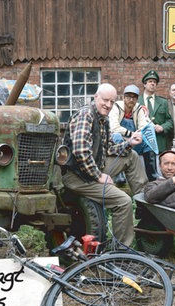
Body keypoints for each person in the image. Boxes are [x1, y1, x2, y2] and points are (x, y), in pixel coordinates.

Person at [61, 83, 149, 246]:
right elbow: (81, 151)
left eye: (112, 102)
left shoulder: (103, 120)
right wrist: (99, 176)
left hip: (93, 169)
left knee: (132, 155)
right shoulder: (85, 115)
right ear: (96, 97)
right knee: (123, 201)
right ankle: (121, 250)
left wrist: (129, 143)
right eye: (105, 100)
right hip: (77, 177)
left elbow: (109, 149)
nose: (108, 105)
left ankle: (144, 203)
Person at [109, 84, 159, 181]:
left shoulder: (139, 108)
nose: (131, 100)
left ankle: (152, 176)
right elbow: (114, 127)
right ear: (123, 97)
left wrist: (137, 137)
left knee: (148, 143)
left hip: (133, 141)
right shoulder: (116, 107)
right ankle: (119, 175)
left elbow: (142, 126)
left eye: (134, 97)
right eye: (128, 97)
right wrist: (130, 135)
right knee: (117, 136)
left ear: (137, 99)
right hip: (117, 143)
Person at [138, 70, 173, 153]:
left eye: (154, 82)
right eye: (150, 81)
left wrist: (162, 127)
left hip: (159, 142)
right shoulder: (137, 102)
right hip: (141, 141)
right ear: (144, 84)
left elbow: (170, 121)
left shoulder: (163, 102)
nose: (153, 83)